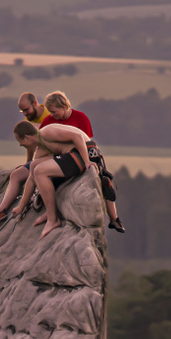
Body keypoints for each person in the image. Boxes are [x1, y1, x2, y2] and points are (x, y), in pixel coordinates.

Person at [43, 89, 124, 232]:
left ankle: (114, 218)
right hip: (60, 156)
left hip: (83, 152)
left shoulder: (80, 118)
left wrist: (86, 159)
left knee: (104, 180)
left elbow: (86, 140)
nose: (52, 115)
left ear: (63, 107)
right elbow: (42, 142)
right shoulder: (48, 121)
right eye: (50, 112)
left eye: (54, 111)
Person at [7, 116, 90, 239]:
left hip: (83, 153)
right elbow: (31, 178)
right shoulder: (41, 146)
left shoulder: (47, 132)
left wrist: (87, 161)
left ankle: (53, 219)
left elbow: (77, 137)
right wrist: (21, 206)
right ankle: (49, 211)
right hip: (71, 155)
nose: (20, 145)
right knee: (34, 166)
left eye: (20, 141)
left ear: (27, 137)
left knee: (40, 171)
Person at [0, 90, 52, 223]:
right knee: (16, 175)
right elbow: (30, 144)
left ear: (35, 103)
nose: (25, 113)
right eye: (22, 111)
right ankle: (1, 211)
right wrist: (27, 163)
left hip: (51, 156)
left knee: (34, 170)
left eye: (26, 110)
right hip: (39, 156)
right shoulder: (28, 120)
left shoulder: (49, 116)